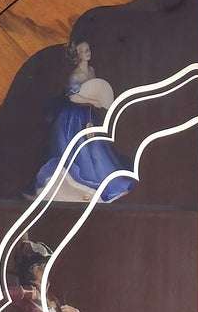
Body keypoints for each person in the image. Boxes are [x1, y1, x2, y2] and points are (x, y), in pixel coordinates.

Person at [31, 41, 134, 202]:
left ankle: (101, 181)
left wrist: (93, 102)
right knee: (78, 150)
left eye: (88, 49)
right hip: (73, 118)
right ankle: (78, 185)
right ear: (77, 55)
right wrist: (92, 101)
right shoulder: (76, 75)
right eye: (83, 50)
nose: (87, 52)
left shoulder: (91, 70)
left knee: (95, 148)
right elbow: (72, 96)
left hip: (87, 115)